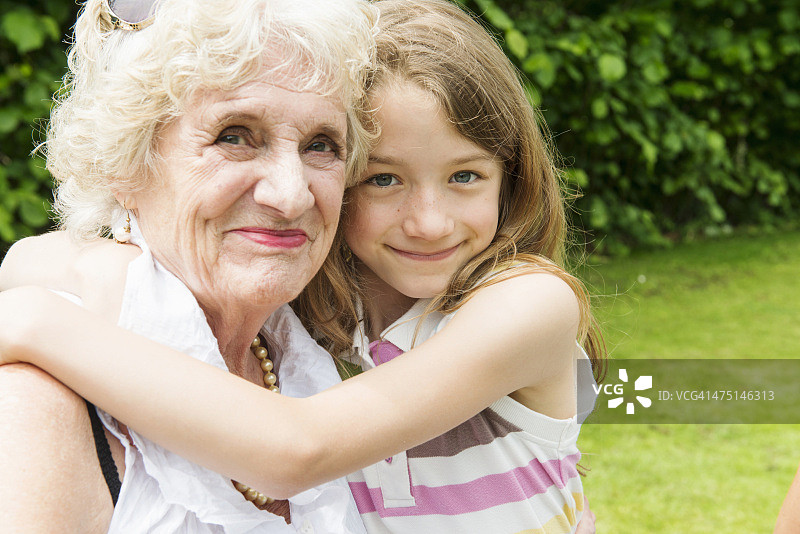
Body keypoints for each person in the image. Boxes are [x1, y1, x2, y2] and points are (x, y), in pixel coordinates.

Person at [0, 0, 602, 532]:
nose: (428, 222)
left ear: (511, 179)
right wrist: (90, 268)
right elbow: (32, 257)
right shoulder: (325, 314)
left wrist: (33, 322)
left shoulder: (528, 304)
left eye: (320, 145)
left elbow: (297, 448)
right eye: (384, 178)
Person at [0, 0, 378, 531]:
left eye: (321, 145)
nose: (292, 195)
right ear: (125, 164)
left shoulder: (318, 361)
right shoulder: (36, 403)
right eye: (235, 136)